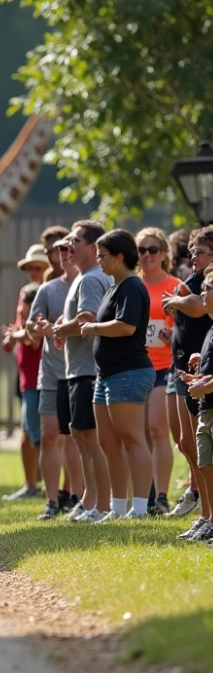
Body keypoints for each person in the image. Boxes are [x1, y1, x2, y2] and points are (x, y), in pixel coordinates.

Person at [79, 228, 154, 520]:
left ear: (120, 256)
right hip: (106, 374)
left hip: (129, 371)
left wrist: (94, 328)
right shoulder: (114, 286)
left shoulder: (132, 286)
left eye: (103, 255)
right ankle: (117, 507)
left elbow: (126, 326)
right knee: (108, 443)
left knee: (132, 438)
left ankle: (140, 508)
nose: (99, 260)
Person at [49, 223, 113, 522]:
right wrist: (66, 327)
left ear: (92, 247)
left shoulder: (89, 280)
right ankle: (90, 501)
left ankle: (101, 505)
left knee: (90, 437)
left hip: (88, 369)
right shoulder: (84, 277)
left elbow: (87, 320)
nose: (68, 246)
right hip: (78, 369)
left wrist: (62, 327)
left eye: (75, 241)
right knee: (80, 434)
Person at [27, 231, 85, 520]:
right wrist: (38, 328)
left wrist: (61, 329)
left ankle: (76, 497)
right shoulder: (47, 290)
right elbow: (30, 327)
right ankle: (51, 501)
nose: (62, 252)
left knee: (76, 437)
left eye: (67, 247)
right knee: (50, 435)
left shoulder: (90, 284)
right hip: (51, 373)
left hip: (81, 371)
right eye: (58, 249)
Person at [163, 226, 213, 536]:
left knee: (201, 449)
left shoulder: (202, 286)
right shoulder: (195, 282)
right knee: (188, 444)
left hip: (205, 381)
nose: (194, 255)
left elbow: (195, 306)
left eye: (201, 250)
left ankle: (207, 514)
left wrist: (177, 301)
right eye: (192, 250)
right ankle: (206, 515)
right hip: (192, 370)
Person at [134, 227, 180, 514]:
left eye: (153, 249)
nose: (147, 255)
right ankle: (145, 495)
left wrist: (172, 334)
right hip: (136, 366)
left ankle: (161, 496)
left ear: (164, 253)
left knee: (157, 428)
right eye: (142, 250)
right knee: (140, 434)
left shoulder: (176, 285)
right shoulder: (132, 285)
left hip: (165, 366)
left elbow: (188, 326)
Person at [1, 244, 48, 501]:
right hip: (25, 372)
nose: (32, 271)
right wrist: (11, 339)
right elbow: (20, 332)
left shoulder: (49, 292)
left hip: (43, 372)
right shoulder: (26, 293)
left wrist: (16, 336)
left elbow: (33, 337)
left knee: (37, 432)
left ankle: (42, 486)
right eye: (29, 268)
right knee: (29, 431)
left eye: (38, 267)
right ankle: (32, 484)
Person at [176, 265, 213, 546]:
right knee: (205, 463)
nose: (202, 294)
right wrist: (200, 373)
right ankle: (210, 520)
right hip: (206, 408)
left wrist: (205, 385)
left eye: (208, 290)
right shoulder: (211, 328)